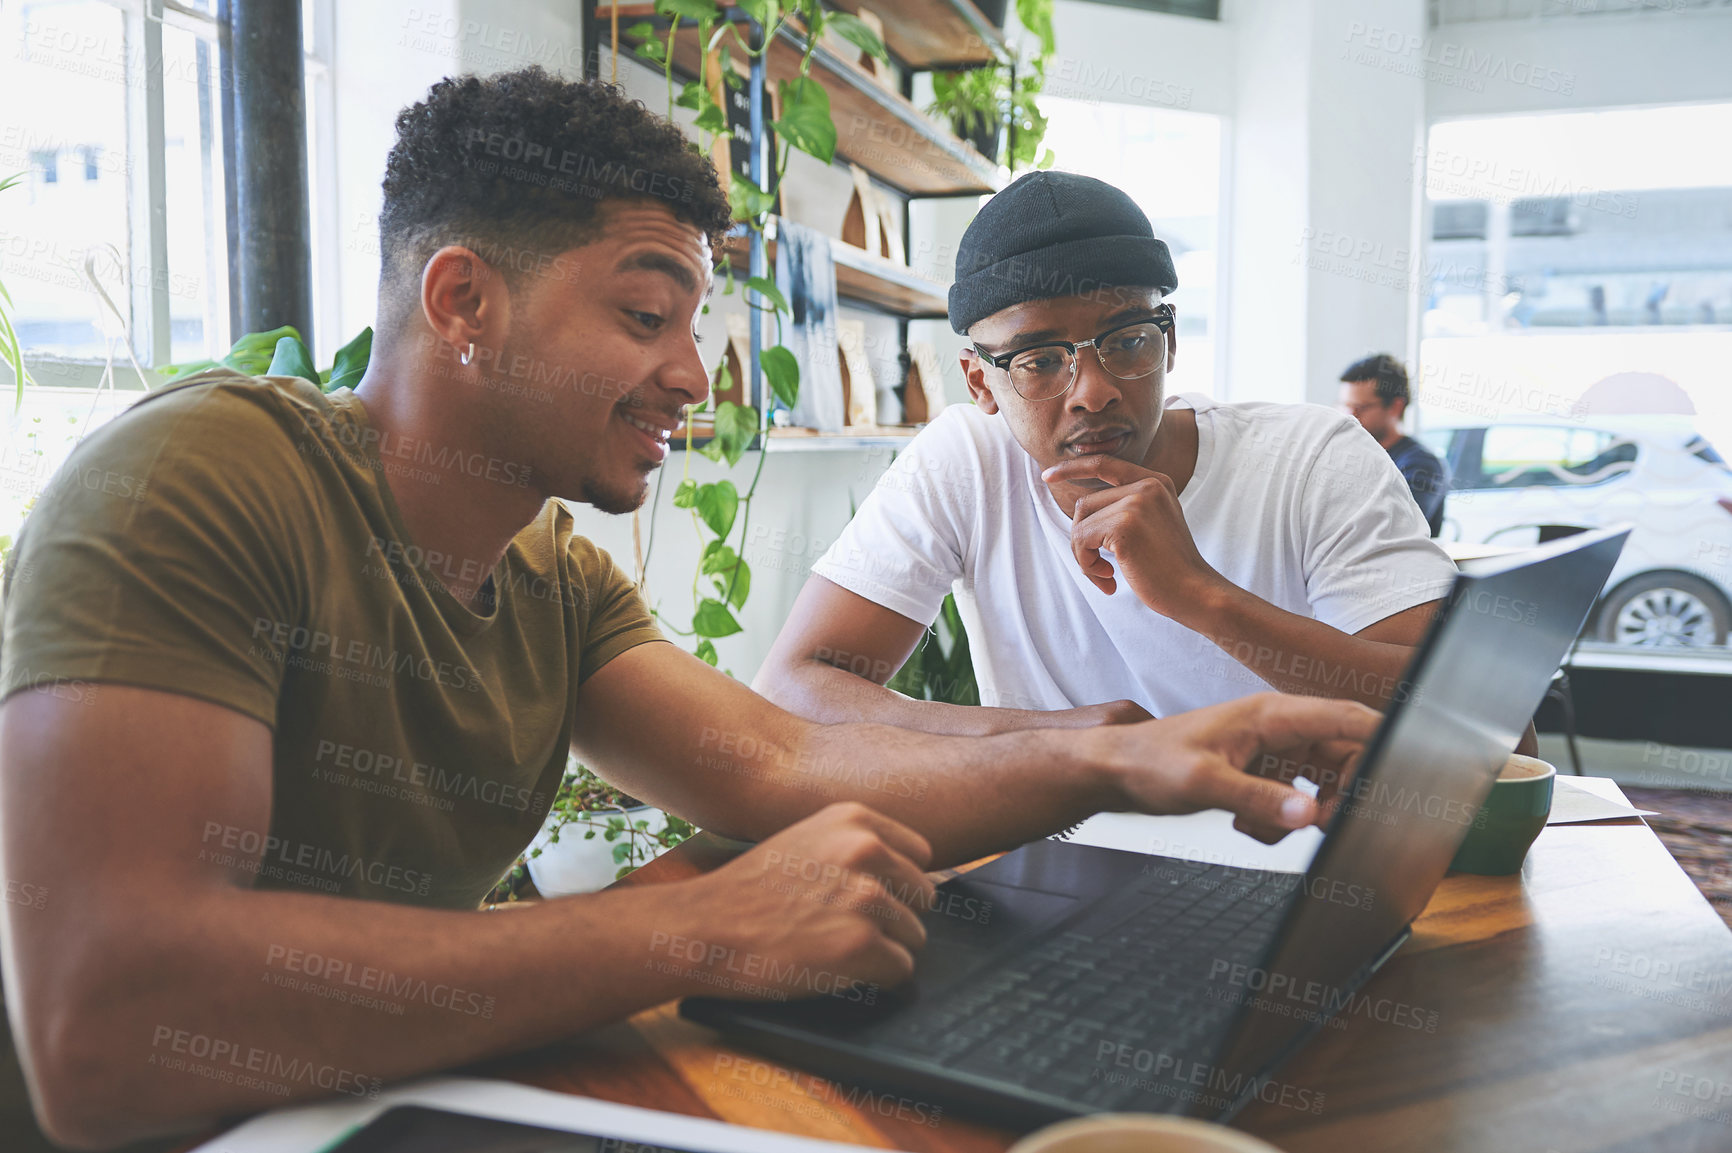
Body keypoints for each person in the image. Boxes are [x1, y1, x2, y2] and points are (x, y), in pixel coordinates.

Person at [0, 71, 1380, 1152]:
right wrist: (698, 924)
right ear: (464, 299)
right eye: (646, 315)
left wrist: (1122, 755)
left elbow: (780, 761)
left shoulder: (550, 571)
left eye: (696, 327)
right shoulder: (199, 478)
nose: (692, 380)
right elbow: (108, 1029)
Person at [755, 171, 1463, 735]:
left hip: (1290, 865)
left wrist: (1203, 597)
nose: (1092, 391)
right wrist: (1069, 741)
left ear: (1171, 341)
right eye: (1038, 360)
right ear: (982, 382)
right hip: (1062, 869)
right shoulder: (967, 463)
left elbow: (1479, 729)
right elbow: (793, 686)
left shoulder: (1312, 458)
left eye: (1127, 341)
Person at [1337, 353, 1450, 537]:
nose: (1350, 416)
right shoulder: (1347, 455)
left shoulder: (1421, 464)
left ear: (1396, 407)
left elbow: (1395, 528)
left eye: (1360, 407)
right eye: (1345, 405)